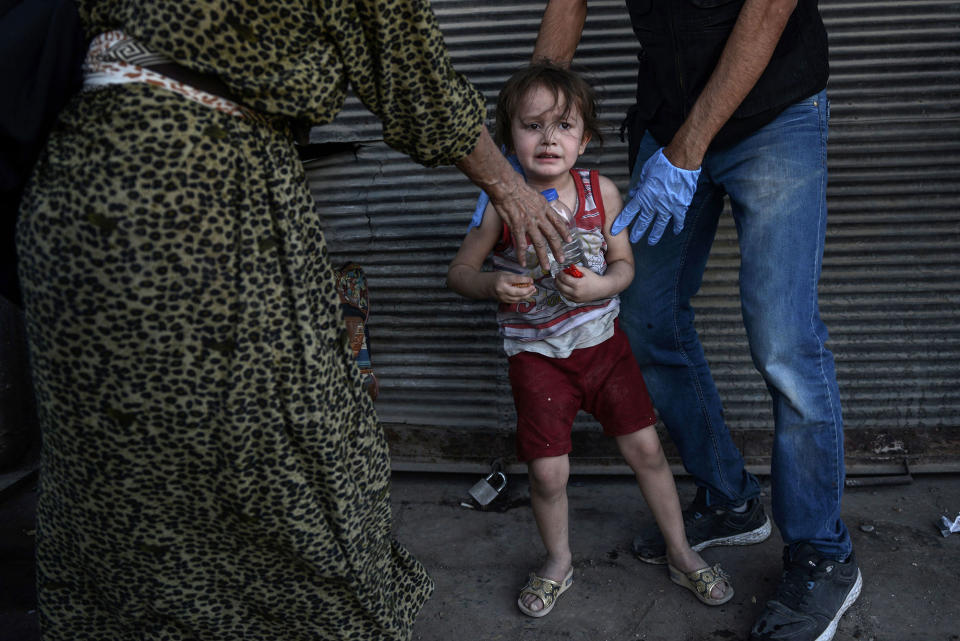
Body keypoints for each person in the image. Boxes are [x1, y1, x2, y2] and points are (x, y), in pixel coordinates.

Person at [15, 1, 570, 639]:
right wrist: (510, 188)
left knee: (125, 463)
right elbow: (417, 83)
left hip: (76, 182)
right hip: (192, 187)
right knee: (287, 448)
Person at [532, 1, 862, 640]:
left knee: (784, 344)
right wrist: (538, 119)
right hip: (669, 116)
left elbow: (768, 9)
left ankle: (823, 553)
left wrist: (688, 151)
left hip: (775, 116)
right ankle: (730, 498)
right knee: (647, 317)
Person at [447, 63, 733, 618]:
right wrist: (491, 284)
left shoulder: (600, 191)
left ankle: (681, 552)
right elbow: (458, 272)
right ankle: (559, 560)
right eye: (532, 126)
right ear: (509, 138)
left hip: (605, 349)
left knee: (647, 449)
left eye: (563, 126)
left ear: (584, 138)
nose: (548, 138)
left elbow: (625, 265)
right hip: (537, 360)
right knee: (548, 473)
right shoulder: (500, 202)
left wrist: (602, 285)